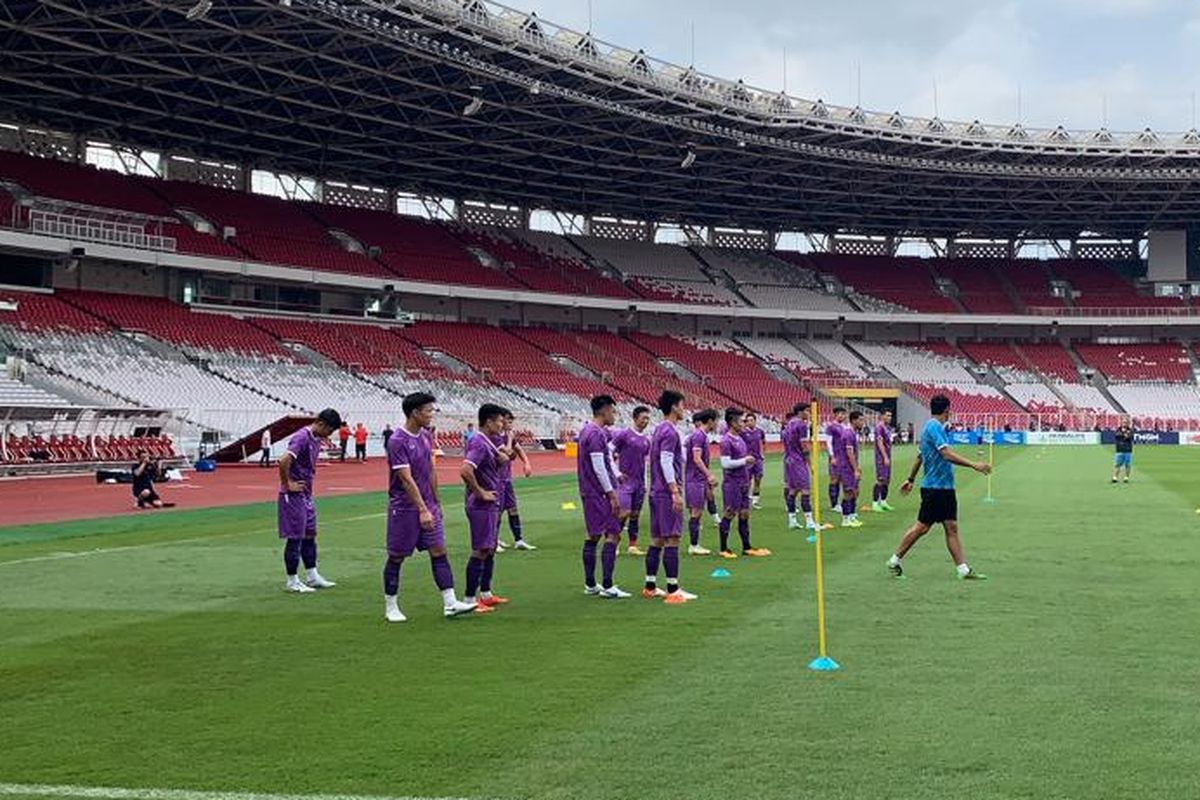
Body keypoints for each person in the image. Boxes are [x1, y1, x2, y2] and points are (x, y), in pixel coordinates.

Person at [382, 392, 476, 622]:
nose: (431, 415)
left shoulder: (425, 436)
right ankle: (391, 606)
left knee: (439, 550)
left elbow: (430, 470)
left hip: (428, 505)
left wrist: (435, 503)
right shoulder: (397, 440)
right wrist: (422, 509)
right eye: (428, 411)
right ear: (415, 412)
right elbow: (405, 478)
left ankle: (450, 602)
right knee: (397, 556)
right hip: (405, 508)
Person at [886, 394, 991, 581]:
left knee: (951, 527)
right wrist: (974, 464)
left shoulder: (933, 427)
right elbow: (946, 454)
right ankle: (894, 560)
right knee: (922, 527)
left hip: (943, 487)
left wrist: (910, 479)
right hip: (936, 488)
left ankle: (963, 569)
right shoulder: (934, 427)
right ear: (947, 410)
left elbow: (920, 456)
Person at [278, 408, 341, 593]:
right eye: (329, 431)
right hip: (293, 495)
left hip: (305, 494)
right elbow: (283, 460)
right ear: (321, 424)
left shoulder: (315, 438)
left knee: (309, 535)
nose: (329, 435)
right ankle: (292, 580)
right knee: (295, 537)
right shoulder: (302, 437)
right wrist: (287, 483)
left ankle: (312, 576)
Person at [646, 390, 698, 604]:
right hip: (666, 492)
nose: (684, 409)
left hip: (656, 491)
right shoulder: (670, 431)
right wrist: (675, 491)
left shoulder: (658, 429)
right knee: (672, 538)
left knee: (657, 539)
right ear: (675, 407)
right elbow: (667, 461)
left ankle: (650, 585)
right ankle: (673, 588)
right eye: (682, 405)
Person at [577, 394, 631, 598]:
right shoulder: (597, 434)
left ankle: (591, 584)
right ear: (604, 410)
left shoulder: (586, 431)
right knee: (613, 534)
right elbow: (599, 466)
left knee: (593, 535)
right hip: (599, 492)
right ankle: (608, 585)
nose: (614, 414)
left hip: (589, 491)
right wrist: (611, 493)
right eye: (612, 410)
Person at [460, 404, 509, 611]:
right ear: (488, 422)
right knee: (480, 550)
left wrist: (500, 460)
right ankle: (470, 599)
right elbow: (465, 470)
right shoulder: (479, 442)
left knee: (489, 549)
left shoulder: (487, 442)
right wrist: (480, 492)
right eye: (499, 420)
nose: (502, 424)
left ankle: (486, 593)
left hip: (490, 503)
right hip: (481, 504)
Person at [718, 408, 771, 558]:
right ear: (733, 422)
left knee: (744, 514)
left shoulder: (740, 439)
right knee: (729, 513)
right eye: (742, 420)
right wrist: (744, 460)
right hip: (732, 483)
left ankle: (746, 547)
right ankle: (723, 548)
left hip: (743, 481)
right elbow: (725, 463)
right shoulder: (726, 440)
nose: (744, 423)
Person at [611, 405, 652, 556]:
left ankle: (632, 545)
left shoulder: (646, 440)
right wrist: (616, 472)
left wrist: (646, 483)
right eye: (643, 418)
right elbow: (609, 451)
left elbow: (645, 462)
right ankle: (614, 542)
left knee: (635, 514)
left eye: (648, 418)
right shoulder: (624, 435)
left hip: (639, 483)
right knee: (624, 512)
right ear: (635, 418)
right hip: (625, 482)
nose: (646, 421)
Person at [782, 402, 828, 534]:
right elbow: (804, 446)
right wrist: (810, 463)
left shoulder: (789, 424)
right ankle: (809, 522)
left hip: (788, 459)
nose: (809, 413)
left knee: (793, 490)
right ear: (801, 412)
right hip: (798, 460)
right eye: (807, 411)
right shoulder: (801, 424)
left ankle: (792, 520)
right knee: (805, 489)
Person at [495, 410, 536, 551]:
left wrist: (527, 463)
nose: (511, 423)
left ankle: (519, 540)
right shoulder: (496, 437)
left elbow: (518, 450)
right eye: (508, 420)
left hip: (506, 479)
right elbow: (506, 452)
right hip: (496, 480)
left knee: (513, 508)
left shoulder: (508, 435)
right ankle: (493, 540)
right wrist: (510, 439)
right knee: (497, 510)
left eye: (512, 421)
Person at [684, 409, 719, 556]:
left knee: (697, 511)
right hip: (695, 479)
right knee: (696, 512)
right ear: (710, 421)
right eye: (716, 420)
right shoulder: (699, 435)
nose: (717, 424)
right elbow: (696, 458)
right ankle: (693, 545)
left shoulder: (701, 435)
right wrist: (709, 474)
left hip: (697, 478)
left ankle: (695, 543)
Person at [838, 411, 865, 528]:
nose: (862, 423)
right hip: (847, 467)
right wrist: (855, 469)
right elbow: (849, 452)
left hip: (850, 466)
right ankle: (845, 519)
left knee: (855, 491)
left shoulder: (852, 433)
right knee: (848, 492)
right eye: (860, 420)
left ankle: (852, 515)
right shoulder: (848, 433)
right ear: (853, 420)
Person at [740, 411, 766, 509]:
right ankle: (746, 499)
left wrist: (763, 453)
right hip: (747, 460)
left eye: (752, 420)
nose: (750, 422)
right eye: (748, 420)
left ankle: (755, 500)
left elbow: (764, 442)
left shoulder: (760, 431)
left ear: (755, 421)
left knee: (758, 478)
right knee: (747, 480)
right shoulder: (743, 432)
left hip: (758, 459)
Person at [826, 406, 849, 520]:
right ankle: (834, 504)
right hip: (836, 456)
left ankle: (839, 502)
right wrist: (832, 456)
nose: (842, 416)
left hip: (844, 457)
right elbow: (829, 442)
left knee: (841, 479)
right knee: (834, 479)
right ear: (835, 415)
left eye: (843, 414)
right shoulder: (831, 427)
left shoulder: (845, 427)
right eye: (840, 414)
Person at [873, 410, 895, 512]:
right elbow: (879, 442)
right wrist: (885, 456)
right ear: (882, 416)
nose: (889, 417)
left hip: (887, 456)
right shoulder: (879, 427)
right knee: (880, 479)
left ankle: (883, 501)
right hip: (881, 457)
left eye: (890, 415)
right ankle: (875, 503)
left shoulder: (887, 428)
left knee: (887, 480)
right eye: (887, 415)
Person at [1113, 418, 1133, 483]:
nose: (1124, 423)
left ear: (1128, 423)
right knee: (1117, 464)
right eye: (1123, 422)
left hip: (1128, 450)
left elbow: (1129, 437)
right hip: (1119, 449)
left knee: (1127, 465)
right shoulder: (1118, 429)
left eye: (1126, 422)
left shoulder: (1130, 430)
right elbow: (1117, 436)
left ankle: (1126, 477)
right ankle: (1115, 477)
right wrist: (1125, 435)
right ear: (1121, 423)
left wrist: (1124, 435)